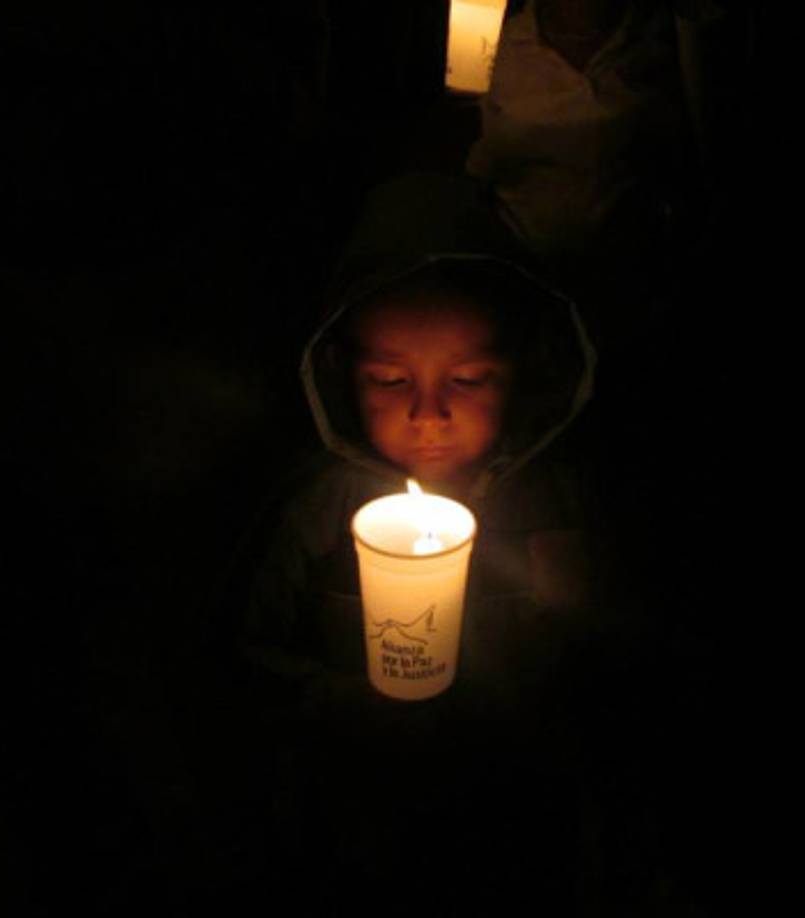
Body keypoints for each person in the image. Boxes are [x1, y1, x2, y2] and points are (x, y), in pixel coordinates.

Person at [230, 175, 604, 911]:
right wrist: (330, 704)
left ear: (523, 372)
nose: (427, 414)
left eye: (466, 379)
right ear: (340, 374)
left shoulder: (555, 506)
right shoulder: (317, 513)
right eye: (390, 378)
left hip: (509, 805)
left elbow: (595, 678)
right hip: (352, 804)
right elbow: (243, 647)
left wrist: (564, 626)